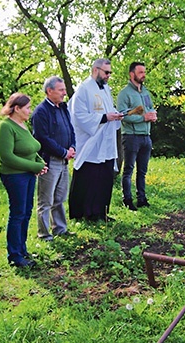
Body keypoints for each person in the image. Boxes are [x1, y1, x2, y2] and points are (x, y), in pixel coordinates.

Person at [0, 93, 48, 268]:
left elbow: (32, 149)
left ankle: (22, 249)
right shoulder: (5, 127)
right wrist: (33, 167)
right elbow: (7, 157)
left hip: (27, 174)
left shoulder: (23, 125)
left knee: (26, 212)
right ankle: (14, 256)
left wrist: (39, 162)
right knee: (17, 213)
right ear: (16, 108)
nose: (30, 111)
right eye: (27, 108)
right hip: (14, 175)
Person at [68, 58, 123, 222]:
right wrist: (105, 117)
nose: (108, 76)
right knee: (88, 179)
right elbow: (79, 116)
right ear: (95, 70)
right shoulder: (83, 89)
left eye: (110, 73)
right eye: (106, 72)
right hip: (90, 142)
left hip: (105, 142)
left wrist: (116, 114)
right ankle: (81, 214)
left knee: (104, 179)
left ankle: (101, 212)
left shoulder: (106, 89)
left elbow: (109, 109)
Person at [31, 76, 76, 241]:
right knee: (46, 199)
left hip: (64, 160)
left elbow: (71, 130)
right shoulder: (41, 112)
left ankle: (60, 229)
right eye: (61, 90)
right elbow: (43, 138)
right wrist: (64, 152)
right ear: (49, 91)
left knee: (60, 197)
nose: (65, 93)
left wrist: (72, 147)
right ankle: (44, 234)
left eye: (64, 89)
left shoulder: (63, 108)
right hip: (49, 161)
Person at [117, 62, 157, 210]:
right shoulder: (124, 93)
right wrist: (143, 118)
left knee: (142, 171)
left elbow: (150, 108)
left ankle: (142, 199)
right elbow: (122, 116)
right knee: (128, 170)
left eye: (144, 72)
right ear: (131, 74)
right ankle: (127, 200)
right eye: (140, 72)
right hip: (131, 136)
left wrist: (153, 115)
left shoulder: (146, 92)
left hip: (146, 136)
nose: (143, 75)